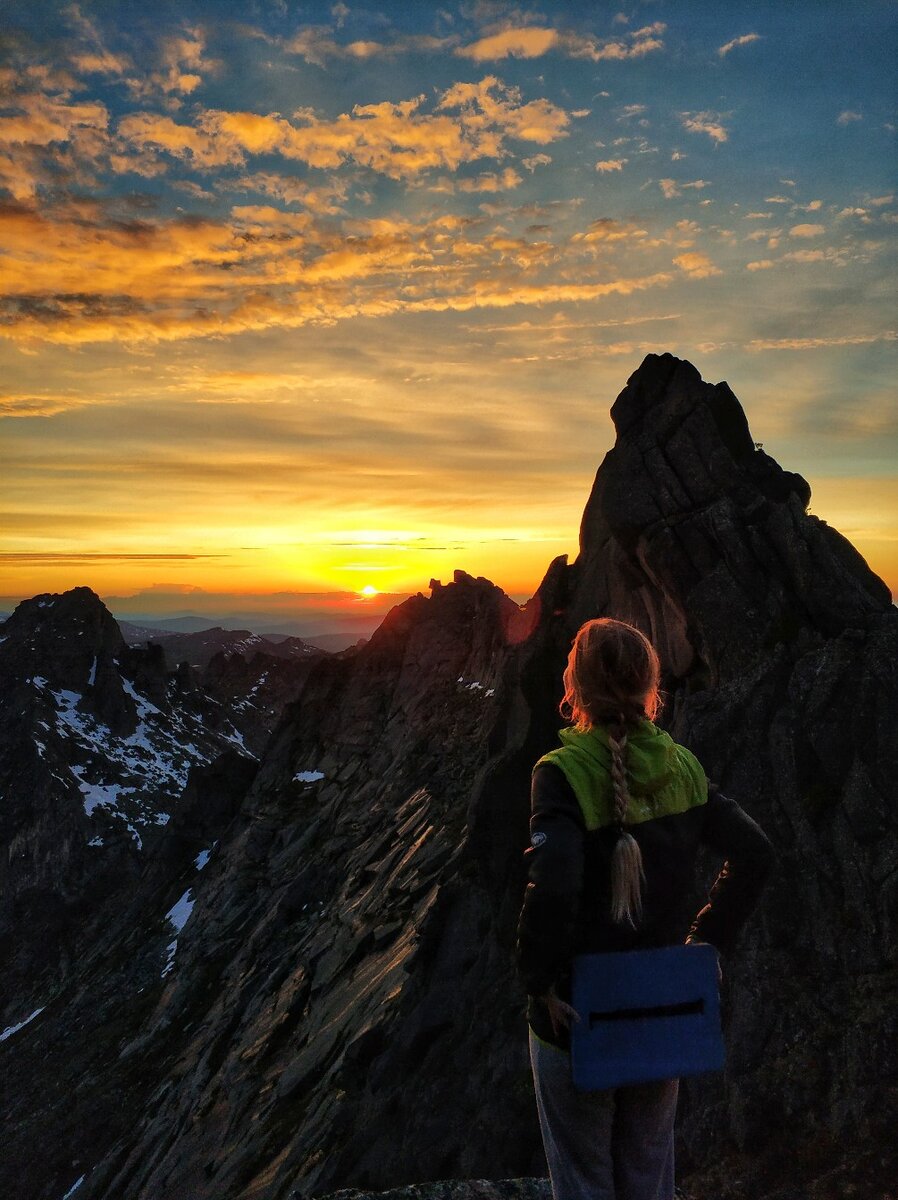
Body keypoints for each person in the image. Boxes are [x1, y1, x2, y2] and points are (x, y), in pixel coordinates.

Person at [516, 617, 773, 1200]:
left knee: (584, 1180)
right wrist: (706, 946)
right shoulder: (681, 767)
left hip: (577, 1015)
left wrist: (537, 981)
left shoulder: (562, 774)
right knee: (649, 1177)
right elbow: (756, 854)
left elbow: (553, 886)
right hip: (660, 1005)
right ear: (648, 686)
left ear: (576, 686)